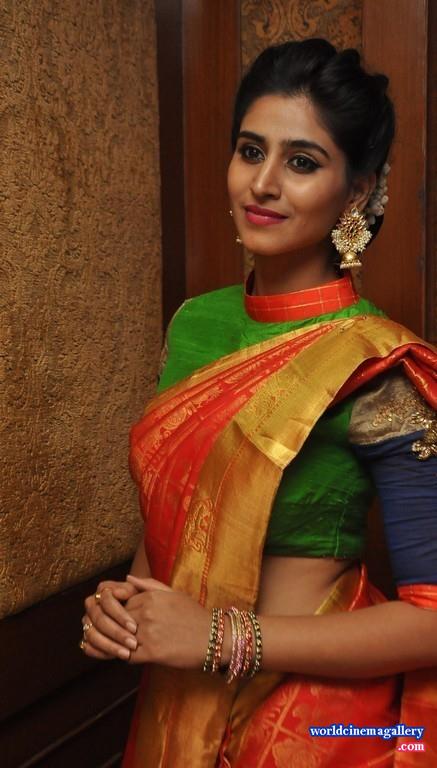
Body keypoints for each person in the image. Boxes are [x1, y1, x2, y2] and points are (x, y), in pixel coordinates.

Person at [81, 39, 437, 767]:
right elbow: (178, 511)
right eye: (250, 151)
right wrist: (124, 606)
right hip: (176, 698)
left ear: (357, 191)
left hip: (314, 724)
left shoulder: (378, 364)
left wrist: (221, 637)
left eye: (301, 162)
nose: (263, 183)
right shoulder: (196, 324)